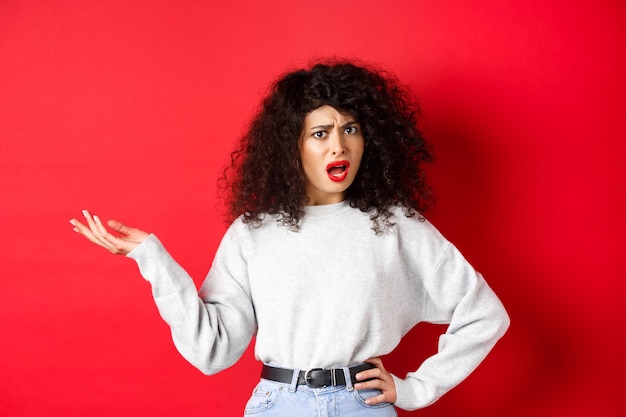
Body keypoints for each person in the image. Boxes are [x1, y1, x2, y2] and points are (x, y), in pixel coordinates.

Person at [69, 61, 510, 416]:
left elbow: (484, 314)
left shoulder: (394, 225)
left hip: (363, 406)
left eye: (350, 129)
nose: (339, 146)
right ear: (292, 147)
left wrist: (416, 389)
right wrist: (153, 259)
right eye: (321, 134)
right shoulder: (253, 233)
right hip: (278, 405)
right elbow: (212, 351)